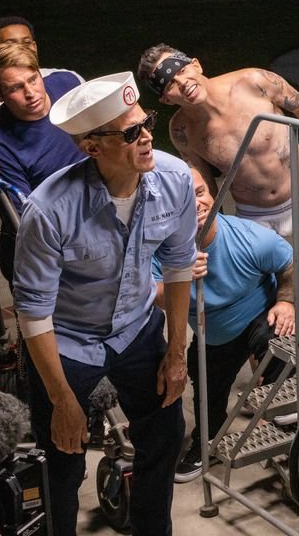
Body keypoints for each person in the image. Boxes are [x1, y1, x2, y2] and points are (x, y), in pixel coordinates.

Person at [13, 72, 197, 536]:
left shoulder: (173, 179)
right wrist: (62, 399)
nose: (147, 137)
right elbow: (33, 313)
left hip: (136, 328)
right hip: (69, 340)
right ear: (91, 147)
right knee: (63, 453)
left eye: (146, 122)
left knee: (165, 434)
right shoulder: (49, 209)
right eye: (131, 132)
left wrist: (176, 352)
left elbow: (177, 270)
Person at [153, 165, 296, 482]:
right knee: (206, 390)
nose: (198, 204)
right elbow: (153, 296)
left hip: (260, 317)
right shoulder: (158, 251)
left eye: (201, 192)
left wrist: (286, 302)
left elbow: (290, 265)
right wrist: (179, 276)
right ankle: (207, 444)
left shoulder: (251, 238)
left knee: (276, 334)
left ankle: (285, 399)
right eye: (184, 199)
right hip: (213, 333)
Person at [138, 45, 299, 262]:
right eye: (170, 85)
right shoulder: (182, 130)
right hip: (253, 214)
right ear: (166, 99)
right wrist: (218, 235)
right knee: (265, 286)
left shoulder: (254, 81)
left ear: (196, 65)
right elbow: (206, 187)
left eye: (182, 71)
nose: (183, 84)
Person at [0, 43, 85, 285]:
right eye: (16, 87)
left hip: (101, 225)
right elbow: (28, 219)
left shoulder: (68, 84)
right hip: (44, 253)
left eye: (33, 79)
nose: (31, 92)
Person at [0, 15, 83, 134]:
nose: (21, 48)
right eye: (10, 44)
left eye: (27, 42)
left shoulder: (67, 78)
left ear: (35, 47)